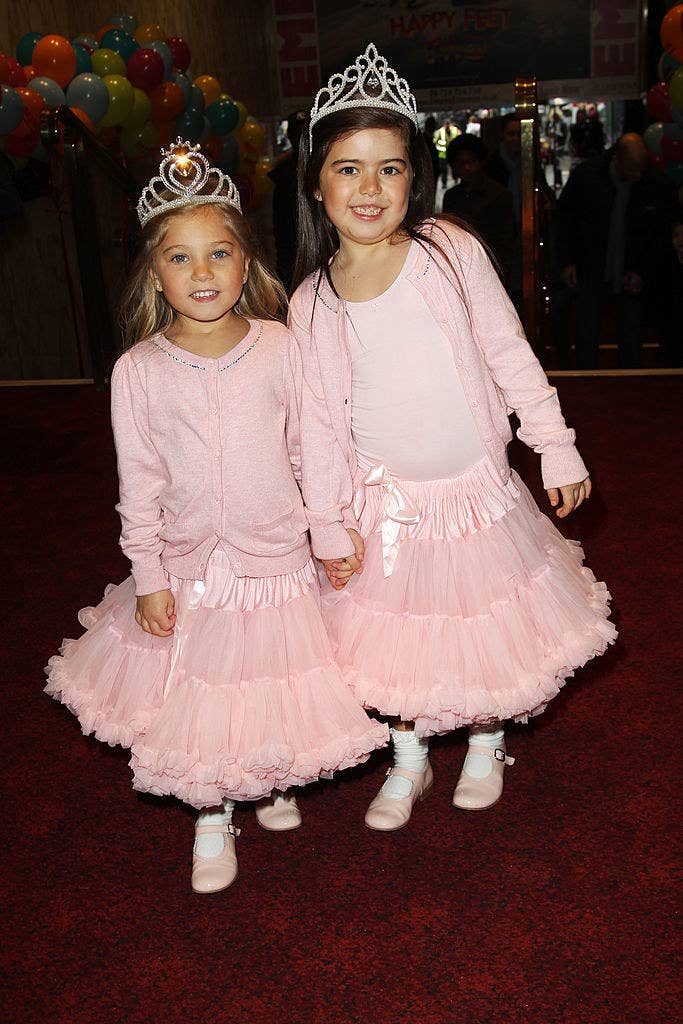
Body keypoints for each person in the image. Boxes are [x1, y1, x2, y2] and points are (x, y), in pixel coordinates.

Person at [45, 140, 388, 893]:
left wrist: (327, 531)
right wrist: (149, 573)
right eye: (180, 258)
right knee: (201, 691)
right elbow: (137, 483)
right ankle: (211, 815)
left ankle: (269, 779)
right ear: (155, 274)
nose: (202, 274)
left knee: (266, 678)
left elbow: (314, 449)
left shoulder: (279, 347)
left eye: (218, 254)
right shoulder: (136, 372)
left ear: (245, 263)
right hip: (193, 564)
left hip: (274, 558)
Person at [289, 43, 616, 831]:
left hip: (475, 492)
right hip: (386, 511)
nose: (370, 189)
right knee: (391, 643)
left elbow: (507, 350)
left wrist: (554, 442)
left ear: (416, 177)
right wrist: (329, 520)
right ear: (315, 184)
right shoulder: (311, 302)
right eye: (347, 168)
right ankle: (407, 760)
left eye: (389, 168)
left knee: (481, 626)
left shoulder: (447, 250)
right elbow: (318, 429)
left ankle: (482, 737)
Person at [555, 133, 677, 368]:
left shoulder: (654, 183)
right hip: (591, 265)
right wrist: (567, 261)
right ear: (617, 159)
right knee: (586, 332)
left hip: (632, 269)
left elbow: (659, 235)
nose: (637, 175)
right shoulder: (587, 176)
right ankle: (586, 382)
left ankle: (630, 387)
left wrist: (643, 272)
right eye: (632, 169)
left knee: (632, 335)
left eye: (640, 169)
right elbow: (565, 222)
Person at [442, 133, 515, 281]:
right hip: (462, 269)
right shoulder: (452, 196)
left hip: (493, 267)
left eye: (471, 161)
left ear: (481, 162)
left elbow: (507, 239)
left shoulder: (499, 194)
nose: (467, 167)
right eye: (460, 163)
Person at [268, 110, 306, 291]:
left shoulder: (325, 166)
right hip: (292, 249)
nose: (299, 138)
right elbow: (280, 222)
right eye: (296, 133)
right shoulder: (283, 173)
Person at [433, 118, 459, 188]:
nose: (447, 126)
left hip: (453, 153)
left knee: (454, 167)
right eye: (446, 125)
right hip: (443, 154)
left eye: (448, 125)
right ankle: (444, 183)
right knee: (444, 169)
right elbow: (435, 141)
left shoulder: (455, 130)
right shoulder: (440, 132)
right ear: (444, 125)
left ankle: (456, 179)